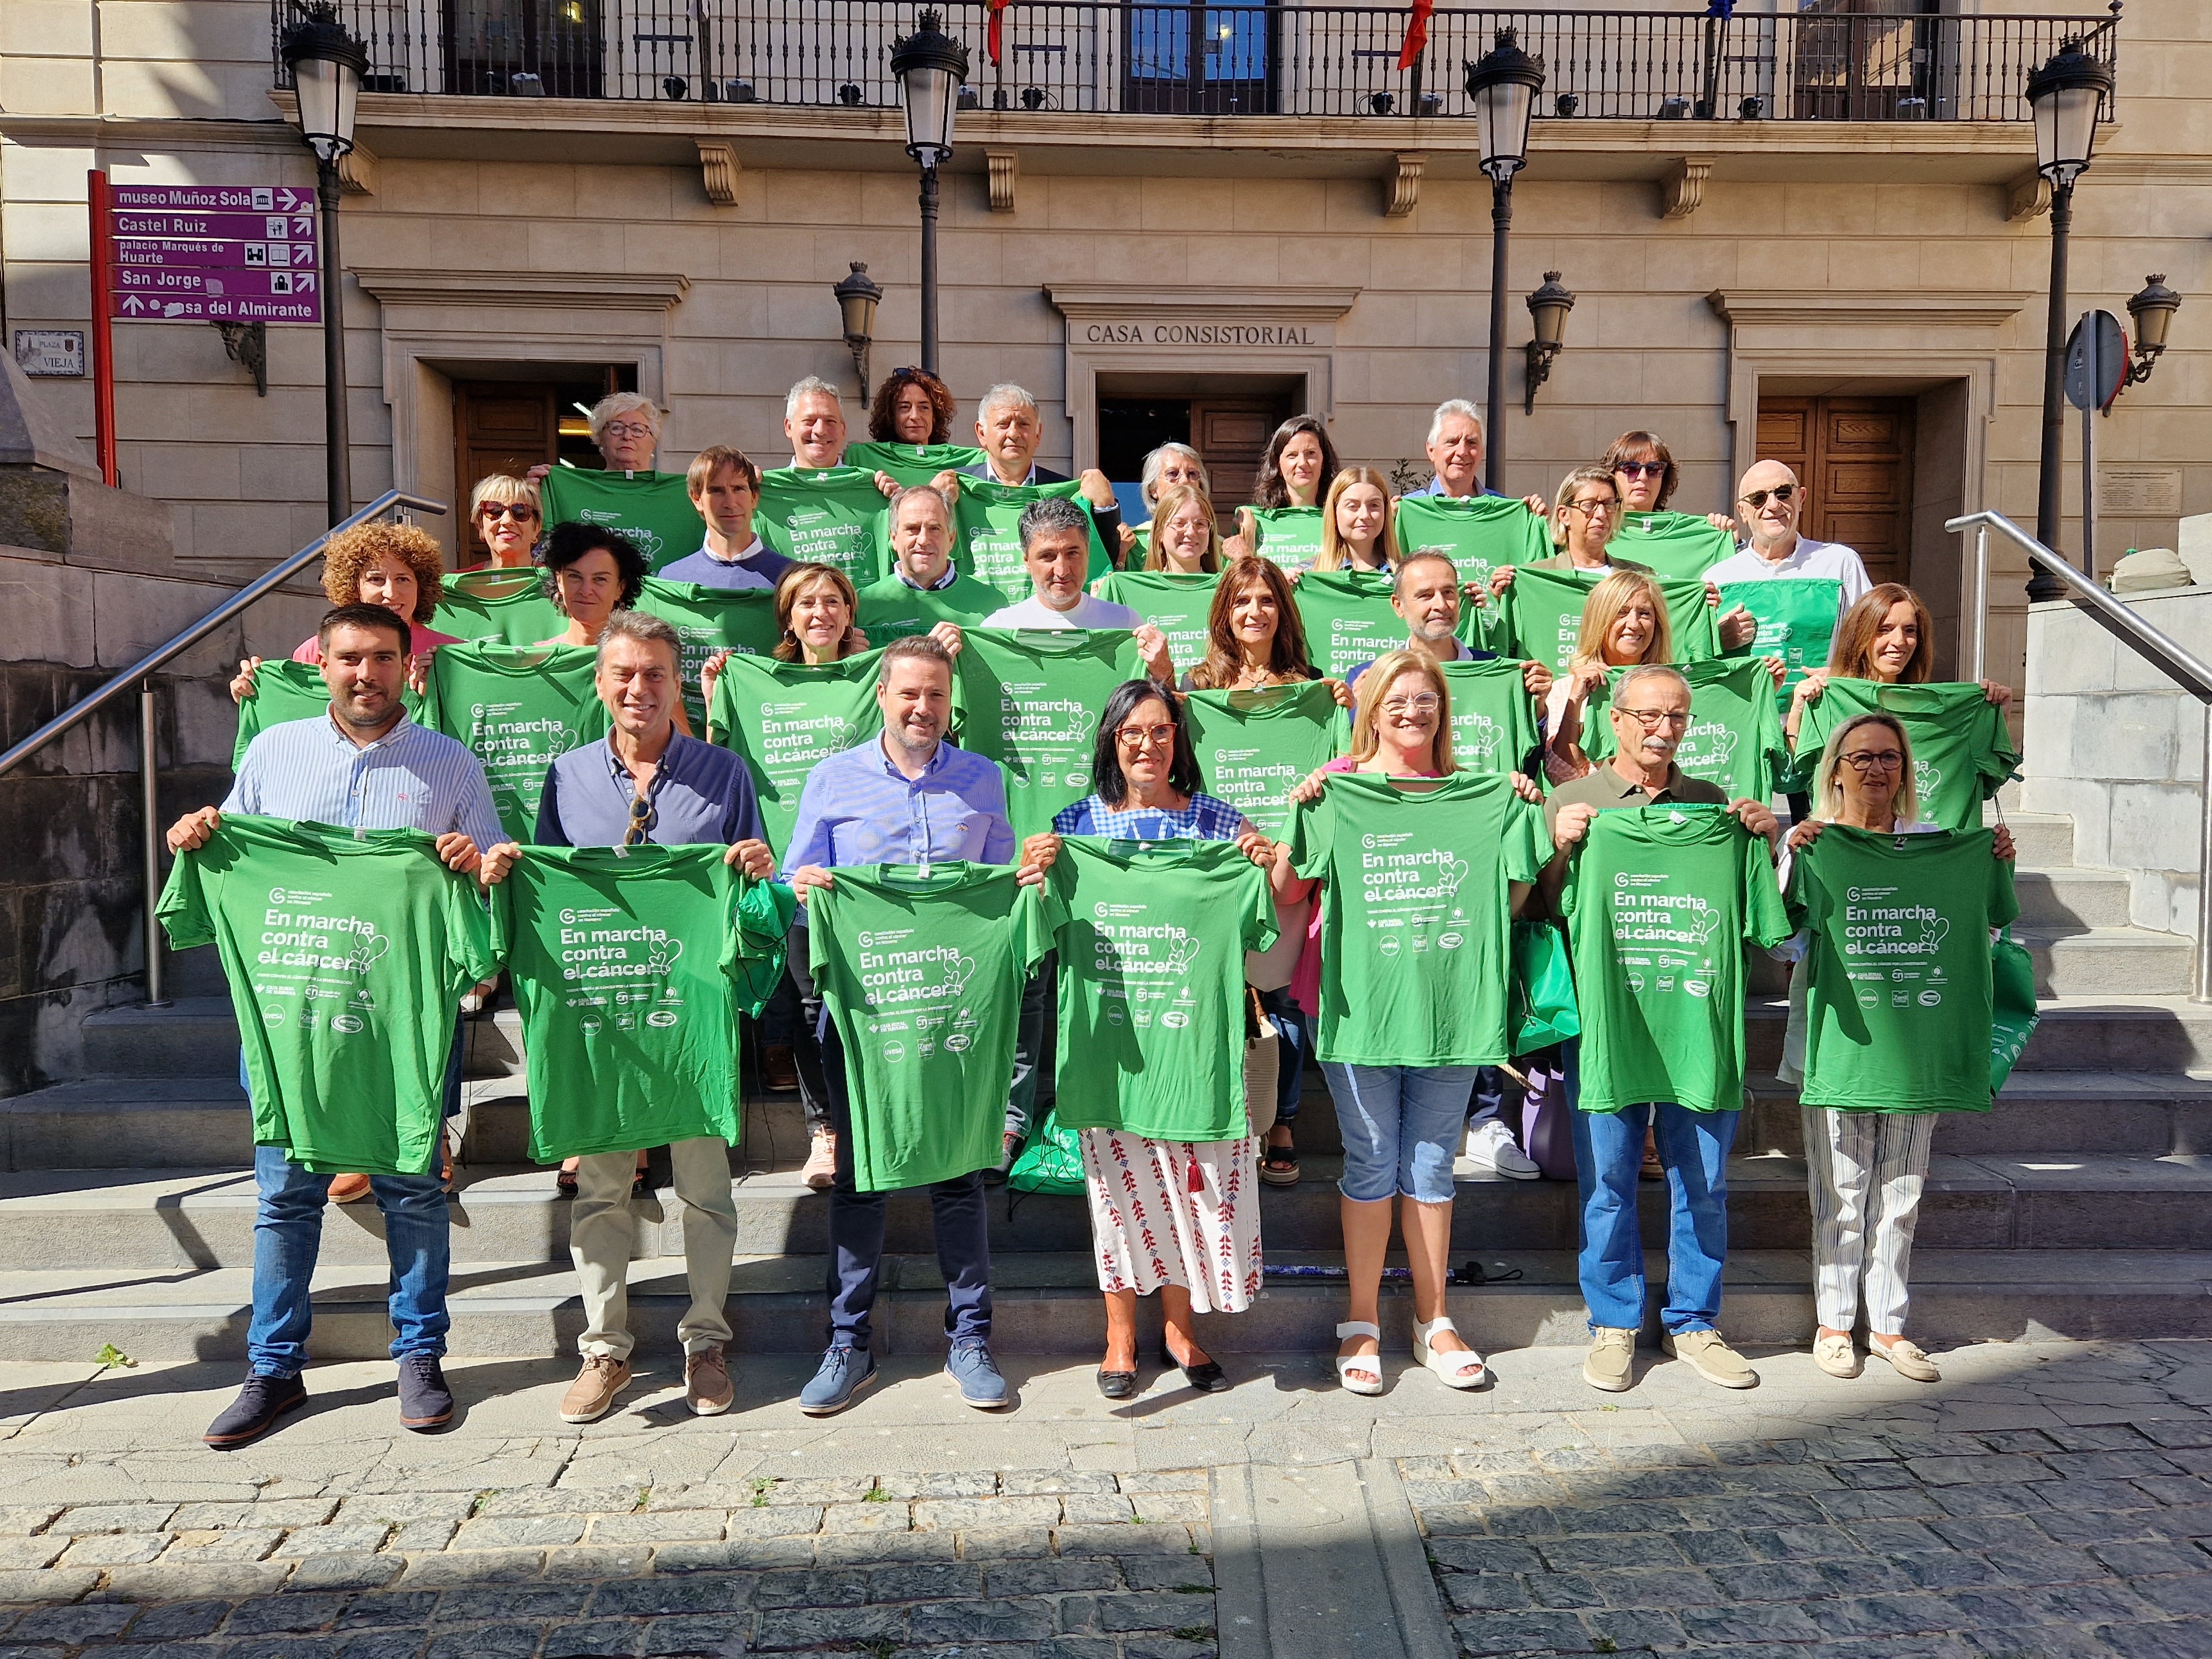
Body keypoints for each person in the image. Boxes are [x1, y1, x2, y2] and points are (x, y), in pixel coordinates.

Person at [170, 602, 502, 1447]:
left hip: (404, 1017)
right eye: (351, 658)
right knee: (286, 1196)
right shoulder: (273, 753)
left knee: (415, 1190)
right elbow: (231, 851)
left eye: (384, 658)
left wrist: (474, 865)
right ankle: (273, 1370)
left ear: (407, 666)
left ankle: (421, 1356)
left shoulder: (449, 764)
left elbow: (497, 884)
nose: (367, 674)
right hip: (292, 1019)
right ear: (321, 663)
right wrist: (199, 836)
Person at [477, 611, 776, 1423]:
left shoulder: (725, 774)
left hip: (690, 1016)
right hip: (602, 1015)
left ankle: (705, 1342)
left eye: (655, 674)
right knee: (602, 1188)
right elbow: (546, 886)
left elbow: (756, 901)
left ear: (678, 684)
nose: (639, 688)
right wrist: (509, 871)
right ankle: (605, 1351)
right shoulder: (566, 775)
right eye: (624, 675)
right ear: (601, 683)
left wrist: (760, 865)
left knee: (707, 1189)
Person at [780, 634, 1037, 1415]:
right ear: (883, 697)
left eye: (935, 695)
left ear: (949, 701)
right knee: (859, 1178)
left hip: (955, 1006)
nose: (922, 708)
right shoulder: (832, 779)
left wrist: (1025, 876)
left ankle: (970, 1337)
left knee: (959, 1174)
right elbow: (798, 888)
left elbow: (999, 890)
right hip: (865, 1011)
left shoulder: (984, 781)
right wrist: (806, 883)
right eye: (908, 694)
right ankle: (847, 1342)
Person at [1278, 651, 1542, 1393]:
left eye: (1426, 699)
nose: (1412, 711)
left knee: (1430, 1163)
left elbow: (1517, 890)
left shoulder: (1481, 794)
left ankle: (1435, 1320)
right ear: (1371, 710)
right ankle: (1360, 1323)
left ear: (1443, 711)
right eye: (1397, 700)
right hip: (1361, 1004)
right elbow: (1287, 887)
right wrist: (1302, 808)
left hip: (1449, 1006)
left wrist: (1518, 802)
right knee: (1370, 1161)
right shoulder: (1338, 789)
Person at [1024, 682, 1291, 1397]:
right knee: (1118, 1200)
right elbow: (1040, 936)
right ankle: (1119, 1336)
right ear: (1111, 740)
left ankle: (1179, 1330)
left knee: (1191, 1201)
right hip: (1113, 1052)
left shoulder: (1219, 826)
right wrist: (1039, 876)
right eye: (1132, 733)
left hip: (1197, 1049)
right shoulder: (1075, 829)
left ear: (1180, 739)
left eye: (1161, 731)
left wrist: (1264, 868)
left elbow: (1266, 950)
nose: (1147, 745)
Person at [1542, 662, 1780, 1395]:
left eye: (1676, 717)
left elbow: (1763, 929)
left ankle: (1694, 1324)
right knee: (1606, 1181)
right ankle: (1613, 1323)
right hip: (1608, 1024)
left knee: (1704, 1182)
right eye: (1647, 715)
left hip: (1697, 1027)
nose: (1662, 729)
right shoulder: (1574, 799)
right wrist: (1556, 845)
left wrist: (1764, 844)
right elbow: (1536, 912)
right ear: (1614, 719)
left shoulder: (1716, 808)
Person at [1780, 711, 2015, 1386]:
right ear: (1835, 771)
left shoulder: (1941, 846)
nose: (1876, 769)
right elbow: (1781, 942)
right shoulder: (1814, 842)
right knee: (1841, 1191)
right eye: (1861, 758)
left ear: (1906, 770)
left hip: (1918, 1043)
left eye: (1889, 757)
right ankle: (1833, 1325)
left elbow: (1985, 933)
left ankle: (1887, 1325)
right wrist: (1796, 864)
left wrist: (1988, 864)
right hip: (1841, 1042)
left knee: (1902, 1190)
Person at [1182, 559, 1352, 1189]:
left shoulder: (1312, 689)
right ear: (1224, 613)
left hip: (1287, 864)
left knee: (1278, 999)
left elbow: (1346, 766)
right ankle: (1226, 1113)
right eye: (1241, 602)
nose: (1254, 612)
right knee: (1218, 994)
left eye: (1266, 600)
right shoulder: (1198, 690)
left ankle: (1278, 1118)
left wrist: (1343, 708)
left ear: (1283, 609)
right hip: (1218, 867)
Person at [229, 521, 462, 707]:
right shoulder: (315, 650)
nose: (390, 593)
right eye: (376, 580)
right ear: (353, 586)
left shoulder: (453, 655)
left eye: (403, 579)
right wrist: (257, 693)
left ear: (421, 587)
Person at [1788, 582, 2012, 750]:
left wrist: (1996, 717)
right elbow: (1794, 775)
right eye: (1884, 629)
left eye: (1910, 630)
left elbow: (1985, 780)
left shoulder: (1935, 710)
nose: (1899, 641)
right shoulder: (1829, 700)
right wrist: (1797, 711)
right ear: (1859, 635)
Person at [982, 497, 1175, 681]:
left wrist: (1163, 670)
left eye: (1072, 553)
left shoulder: (1125, 624)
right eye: (1048, 556)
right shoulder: (998, 630)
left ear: (1088, 553)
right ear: (1027, 561)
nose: (1062, 570)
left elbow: (1160, 706)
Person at [961, 382, 1124, 556]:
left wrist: (1106, 508)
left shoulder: (1066, 495)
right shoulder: (958, 491)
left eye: (1023, 424)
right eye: (1003, 424)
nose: (1014, 434)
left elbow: (1100, 557)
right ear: (981, 433)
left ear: (1038, 434)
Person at [1705, 460, 1874, 603]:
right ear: (1742, 511)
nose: (1773, 505)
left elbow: (1870, 632)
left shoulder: (1841, 564)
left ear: (1801, 498)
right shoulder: (1719, 578)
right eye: (1759, 498)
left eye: (1783, 493)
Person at [852, 484, 999, 647]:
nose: (923, 540)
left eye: (934, 529)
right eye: (913, 529)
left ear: (951, 539)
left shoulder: (992, 604)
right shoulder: (862, 605)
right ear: (893, 538)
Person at [656, 446, 791, 590]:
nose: (730, 503)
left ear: (754, 497)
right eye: (716, 491)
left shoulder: (793, 578)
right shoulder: (672, 580)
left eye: (738, 489)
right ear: (697, 500)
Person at [1403, 400, 1549, 515]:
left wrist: (1539, 522)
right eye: (1452, 442)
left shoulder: (1502, 511)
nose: (1462, 452)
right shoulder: (1407, 509)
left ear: (1482, 452)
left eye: (1471, 443)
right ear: (1431, 451)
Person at [1603, 430, 1736, 531]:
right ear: (1613, 475)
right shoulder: (1595, 532)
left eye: (1654, 469)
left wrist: (1729, 542)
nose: (1643, 477)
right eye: (1631, 468)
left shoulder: (1686, 533)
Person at [1312, 467, 1399, 575]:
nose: (1364, 515)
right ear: (1334, 512)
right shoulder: (1308, 574)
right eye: (1353, 506)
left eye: (1374, 505)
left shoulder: (1407, 576)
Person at [1142, 483, 1224, 575]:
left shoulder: (1226, 588)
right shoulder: (1139, 587)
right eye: (1179, 523)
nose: (1191, 532)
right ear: (1159, 533)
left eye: (1200, 524)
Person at [464, 474, 541, 570]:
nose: (507, 521)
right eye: (495, 511)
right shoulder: (456, 583)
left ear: (536, 528)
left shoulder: (559, 582)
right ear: (480, 526)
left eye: (520, 511)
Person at [785, 376, 851, 471]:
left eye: (830, 421)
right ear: (789, 427)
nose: (820, 430)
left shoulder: (867, 484)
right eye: (809, 421)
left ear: (843, 430)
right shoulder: (766, 485)